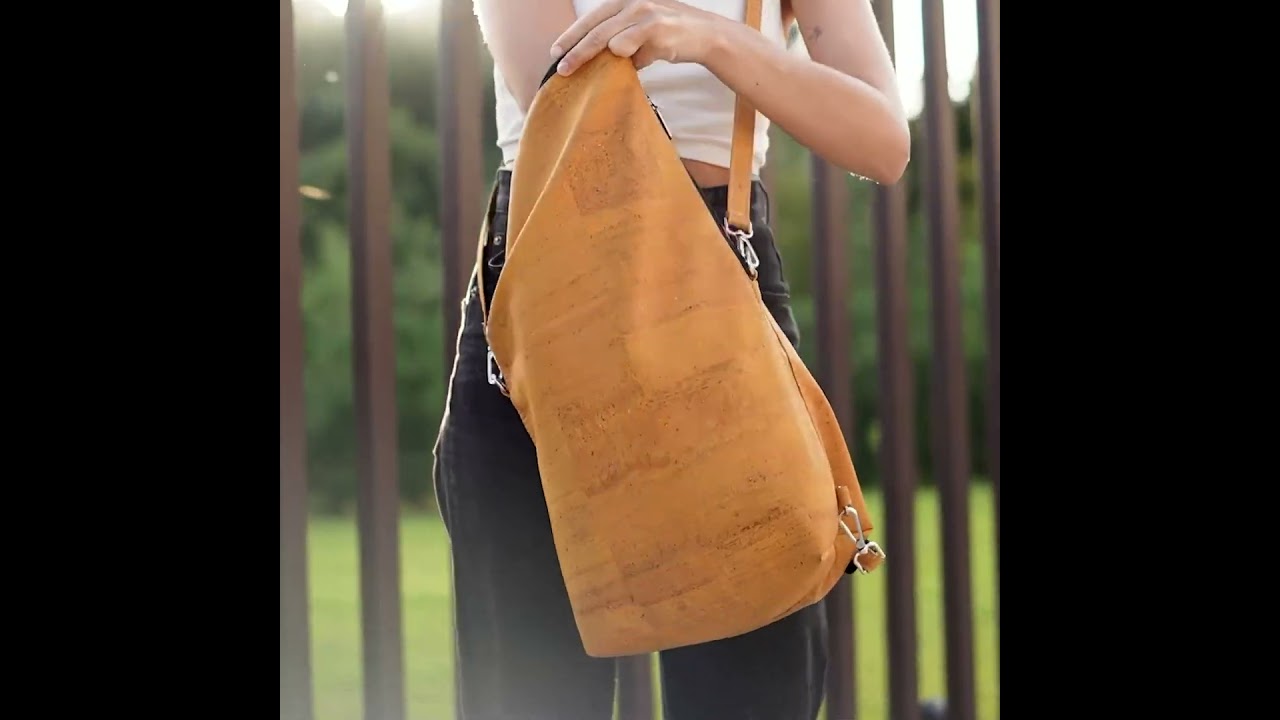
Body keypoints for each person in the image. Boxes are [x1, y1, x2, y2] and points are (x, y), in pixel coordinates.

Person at [433, 1, 908, 718]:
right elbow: (564, 93)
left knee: (751, 689)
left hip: (723, 272)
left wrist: (710, 37)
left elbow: (881, 139)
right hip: (553, 281)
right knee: (531, 694)